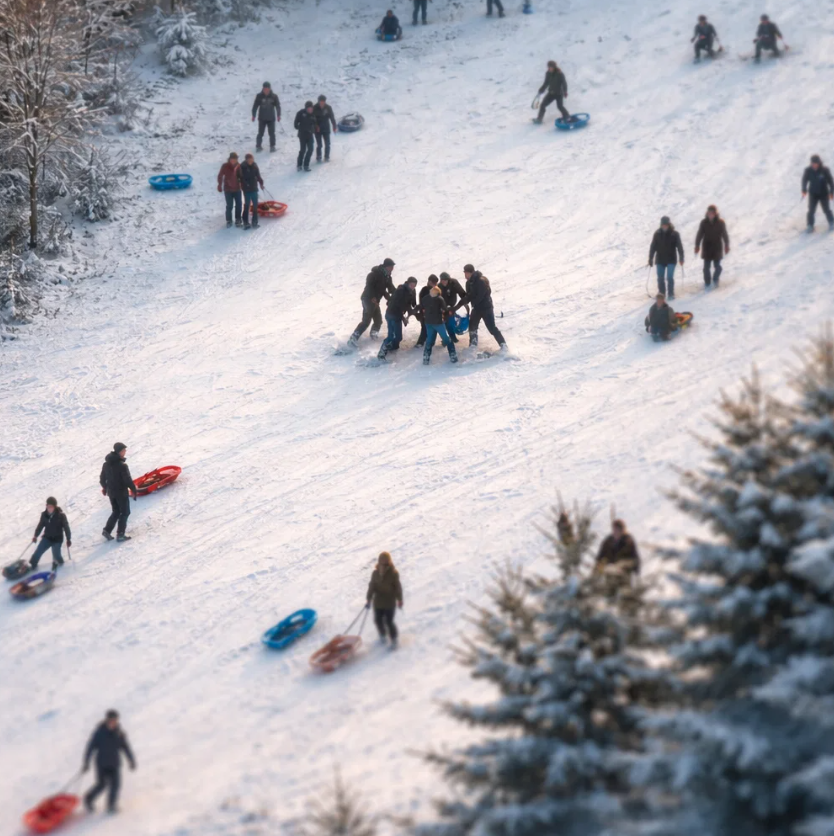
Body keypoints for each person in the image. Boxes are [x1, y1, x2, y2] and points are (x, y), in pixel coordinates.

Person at [83, 710, 136, 814]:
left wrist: (131, 760)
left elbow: (126, 748)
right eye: (110, 720)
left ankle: (111, 806)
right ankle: (88, 799)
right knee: (102, 784)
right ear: (107, 720)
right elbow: (90, 747)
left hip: (115, 764)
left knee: (116, 785)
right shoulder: (99, 733)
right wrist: (86, 762)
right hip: (101, 764)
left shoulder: (120, 733)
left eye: (115, 720)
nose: (112, 722)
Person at [349, 259, 396, 346]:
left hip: (375, 301)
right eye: (390, 266)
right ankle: (353, 338)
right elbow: (369, 286)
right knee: (366, 320)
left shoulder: (387, 277)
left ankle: (373, 335)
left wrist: (397, 295)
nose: (392, 268)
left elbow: (390, 289)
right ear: (386, 266)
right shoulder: (374, 274)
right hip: (368, 299)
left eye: (393, 267)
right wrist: (373, 297)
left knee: (378, 320)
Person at [365, 551, 403, 648]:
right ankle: (382, 635)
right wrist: (369, 599)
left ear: (388, 562)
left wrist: (399, 599)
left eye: (385, 562)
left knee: (389, 622)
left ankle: (394, 639)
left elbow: (397, 587)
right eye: (381, 562)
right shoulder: (375, 573)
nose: (383, 564)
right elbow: (371, 586)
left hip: (390, 602)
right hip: (378, 602)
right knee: (378, 620)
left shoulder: (393, 574)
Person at [463, 264, 507, 350]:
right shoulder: (468, 283)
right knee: (472, 326)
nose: (465, 275)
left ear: (470, 272)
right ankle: (473, 345)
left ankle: (503, 344)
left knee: (491, 327)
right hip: (476, 308)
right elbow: (469, 295)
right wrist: (464, 301)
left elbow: (480, 295)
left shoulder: (481, 281)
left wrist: (472, 301)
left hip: (486, 308)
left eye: (466, 273)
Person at [100, 442, 137, 542]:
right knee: (125, 512)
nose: (125, 452)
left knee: (116, 511)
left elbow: (102, 478)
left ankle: (107, 530)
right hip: (121, 493)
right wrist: (133, 489)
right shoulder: (122, 465)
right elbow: (127, 480)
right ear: (120, 451)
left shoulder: (106, 464)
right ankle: (120, 534)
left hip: (111, 493)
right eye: (124, 450)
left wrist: (105, 488)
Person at [378, 276, 418, 361]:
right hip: (392, 314)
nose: (412, 287)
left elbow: (411, 303)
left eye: (414, 285)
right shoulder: (401, 291)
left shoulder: (411, 291)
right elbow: (397, 305)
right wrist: (403, 318)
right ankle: (381, 354)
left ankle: (393, 349)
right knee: (391, 336)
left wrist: (414, 309)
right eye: (411, 285)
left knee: (399, 337)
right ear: (407, 283)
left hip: (398, 316)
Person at [30, 497, 71, 572]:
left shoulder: (61, 516)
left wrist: (68, 539)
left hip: (57, 539)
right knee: (38, 551)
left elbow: (66, 527)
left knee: (56, 555)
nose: (49, 508)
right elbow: (40, 526)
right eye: (48, 506)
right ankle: (32, 565)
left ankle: (61, 565)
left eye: (51, 507)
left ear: (55, 507)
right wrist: (35, 536)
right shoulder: (44, 515)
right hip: (47, 538)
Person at [648, 216, 684, 300]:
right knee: (660, 278)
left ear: (669, 224)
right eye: (663, 225)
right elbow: (653, 247)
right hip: (660, 259)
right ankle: (662, 294)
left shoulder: (674, 234)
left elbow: (679, 247)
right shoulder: (657, 234)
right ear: (661, 225)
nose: (664, 226)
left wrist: (681, 257)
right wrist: (650, 258)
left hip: (671, 259)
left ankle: (671, 294)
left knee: (669, 277)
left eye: (666, 224)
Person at [421, 285, 458, 365]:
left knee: (429, 340)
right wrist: (449, 310)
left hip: (428, 322)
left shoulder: (425, 298)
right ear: (438, 293)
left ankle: (426, 358)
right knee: (447, 338)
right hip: (438, 323)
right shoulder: (439, 299)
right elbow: (445, 309)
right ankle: (453, 356)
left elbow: (423, 308)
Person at [695, 205, 730, 287]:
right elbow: (699, 234)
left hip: (717, 247)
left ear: (715, 214)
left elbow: (724, 234)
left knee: (717, 267)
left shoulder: (720, 222)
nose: (710, 215)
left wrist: (726, 245)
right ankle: (707, 283)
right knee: (706, 268)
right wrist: (697, 245)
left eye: (712, 213)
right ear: (707, 213)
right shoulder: (703, 223)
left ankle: (715, 278)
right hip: (707, 247)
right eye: (709, 213)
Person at [802, 154, 834, 232]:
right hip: (813, 193)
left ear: (819, 162)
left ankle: (832, 222)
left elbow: (831, 181)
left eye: (815, 163)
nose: (814, 165)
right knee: (811, 210)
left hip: (824, 193)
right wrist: (804, 189)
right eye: (812, 163)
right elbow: (804, 180)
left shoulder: (825, 170)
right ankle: (810, 225)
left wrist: (831, 191)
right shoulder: (808, 170)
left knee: (826, 209)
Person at [251, 81, 281, 153]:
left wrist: (278, 115)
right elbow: (255, 106)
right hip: (262, 118)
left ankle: (272, 146)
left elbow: (277, 106)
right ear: (263, 88)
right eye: (264, 88)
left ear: (269, 88)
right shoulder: (259, 96)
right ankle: (258, 146)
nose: (266, 90)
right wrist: (253, 115)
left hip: (271, 118)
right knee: (260, 133)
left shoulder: (274, 96)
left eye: (267, 88)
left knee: (272, 133)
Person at [438, 272, 468, 344]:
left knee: (450, 321)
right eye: (442, 280)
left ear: (448, 280)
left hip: (452, 305)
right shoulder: (439, 286)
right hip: (443, 306)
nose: (444, 281)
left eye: (445, 280)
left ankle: (452, 336)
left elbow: (461, 292)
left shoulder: (454, 283)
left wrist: (465, 302)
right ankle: (446, 338)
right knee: (444, 322)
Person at [216, 152, 242, 228]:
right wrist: (219, 184)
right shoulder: (225, 166)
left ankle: (238, 219)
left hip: (237, 189)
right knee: (229, 206)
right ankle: (229, 220)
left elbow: (242, 176)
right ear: (230, 159)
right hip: (228, 190)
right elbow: (220, 175)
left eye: (235, 159)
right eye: (232, 159)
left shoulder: (239, 166)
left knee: (239, 205)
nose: (234, 160)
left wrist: (243, 184)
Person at [414, 274, 439, 348]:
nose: (434, 284)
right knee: (424, 327)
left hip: (433, 313)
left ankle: (431, 341)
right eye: (433, 282)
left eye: (435, 283)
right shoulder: (424, 289)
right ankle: (420, 342)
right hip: (425, 312)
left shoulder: (436, 290)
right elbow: (422, 301)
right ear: (429, 281)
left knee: (433, 327)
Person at [313, 95, 337, 163]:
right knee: (319, 144)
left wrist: (334, 127)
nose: (322, 103)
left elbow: (332, 118)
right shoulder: (314, 108)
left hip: (326, 128)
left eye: (323, 101)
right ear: (318, 101)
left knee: (327, 144)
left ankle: (326, 156)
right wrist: (315, 126)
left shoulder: (328, 108)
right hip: (317, 129)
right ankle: (319, 157)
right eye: (321, 101)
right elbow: (312, 119)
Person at [294, 101, 317, 172]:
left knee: (310, 149)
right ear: (306, 108)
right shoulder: (300, 113)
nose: (310, 110)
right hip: (302, 135)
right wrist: (299, 127)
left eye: (311, 108)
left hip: (310, 135)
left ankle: (306, 165)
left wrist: (314, 126)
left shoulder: (313, 114)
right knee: (303, 150)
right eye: (309, 108)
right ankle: (299, 164)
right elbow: (295, 123)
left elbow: (315, 123)